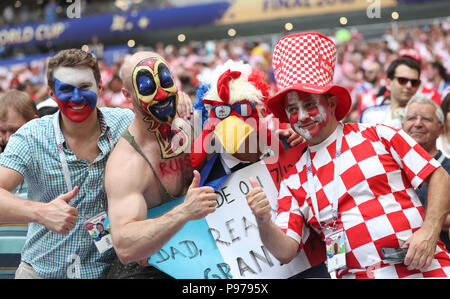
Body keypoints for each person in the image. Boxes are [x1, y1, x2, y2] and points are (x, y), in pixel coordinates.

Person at [246, 32, 450, 278]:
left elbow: (439, 176)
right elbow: (285, 250)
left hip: (425, 269)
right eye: (292, 109)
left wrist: (429, 231)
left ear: (331, 103)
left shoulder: (379, 134)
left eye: (310, 104)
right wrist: (263, 221)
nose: (301, 116)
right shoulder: (294, 181)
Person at [0, 49, 135, 279]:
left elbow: (167, 122)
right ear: (52, 93)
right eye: (66, 89)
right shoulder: (31, 137)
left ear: (99, 87)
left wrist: (179, 102)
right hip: (41, 272)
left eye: (84, 87)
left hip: (104, 272)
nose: (76, 97)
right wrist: (41, 212)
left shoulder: (125, 123)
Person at [104, 51, 217, 279]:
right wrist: (184, 211)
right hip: (144, 271)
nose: (162, 94)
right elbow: (125, 246)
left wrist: (284, 134)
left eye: (166, 82)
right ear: (127, 94)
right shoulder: (127, 163)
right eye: (147, 88)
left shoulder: (187, 127)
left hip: (199, 258)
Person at [402, 95, 450, 251]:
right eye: (411, 118)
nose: (417, 124)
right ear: (402, 126)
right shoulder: (389, 166)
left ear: (441, 128)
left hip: (438, 259)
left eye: (426, 119)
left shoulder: (448, 167)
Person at [360, 56, 421, 129]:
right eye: (402, 80)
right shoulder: (371, 116)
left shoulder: (427, 117)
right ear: (388, 83)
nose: (409, 85)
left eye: (414, 82)